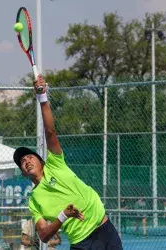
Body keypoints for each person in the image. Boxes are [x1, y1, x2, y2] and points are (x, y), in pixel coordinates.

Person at [13, 75, 122, 250]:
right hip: (81, 243)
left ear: (41, 161)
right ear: (24, 173)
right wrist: (63, 215)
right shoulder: (34, 201)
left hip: (104, 230)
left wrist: (42, 98)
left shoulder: (55, 163)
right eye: (22, 162)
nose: (26, 160)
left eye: (30, 157)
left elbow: (50, 130)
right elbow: (43, 235)